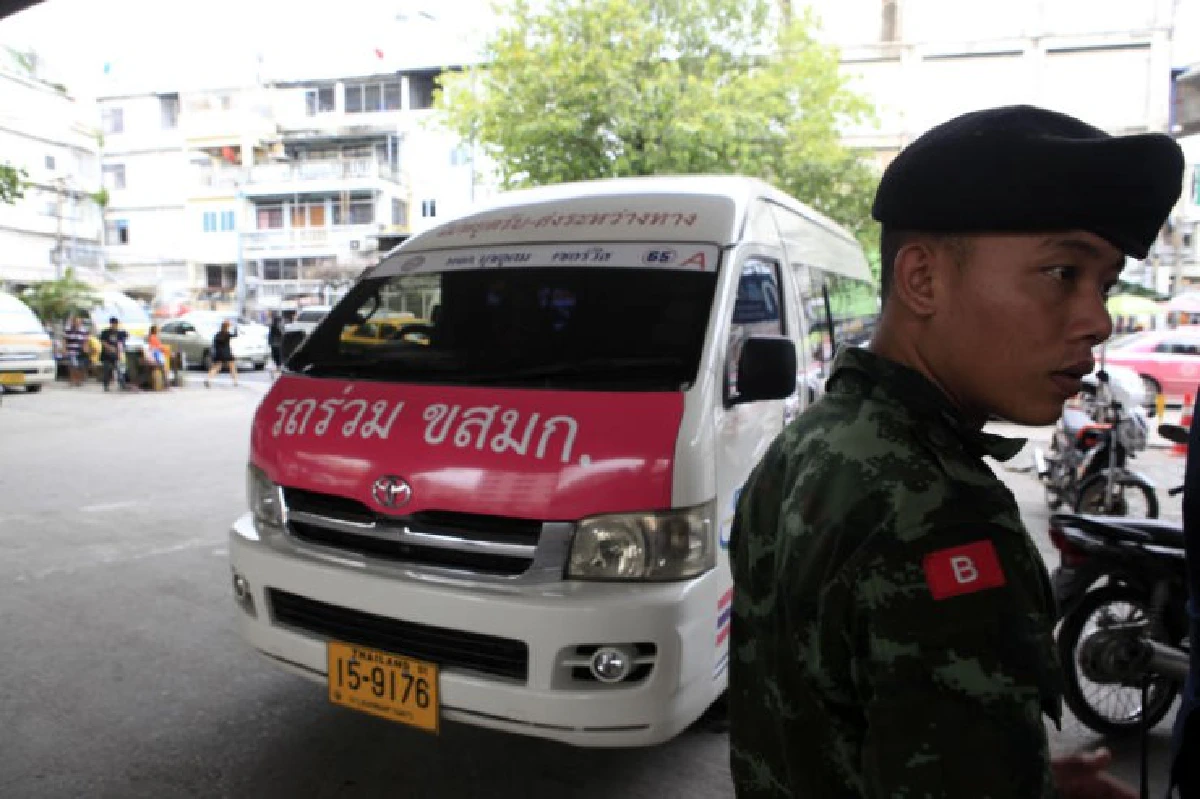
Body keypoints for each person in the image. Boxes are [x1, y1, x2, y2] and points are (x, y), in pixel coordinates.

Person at [728, 105, 1183, 799]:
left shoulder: (813, 441)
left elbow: (827, 734)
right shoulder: (940, 511)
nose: (1098, 320)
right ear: (923, 279)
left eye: (1105, 283)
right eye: (1063, 272)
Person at [97, 316, 128, 392]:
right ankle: (106, 385)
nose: (114, 325)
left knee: (120, 370)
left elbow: (124, 338)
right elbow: (103, 341)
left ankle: (122, 384)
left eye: (116, 324)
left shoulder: (120, 332)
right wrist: (110, 347)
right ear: (110, 324)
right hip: (106, 355)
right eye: (113, 324)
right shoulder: (105, 332)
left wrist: (120, 350)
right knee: (107, 370)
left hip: (117, 355)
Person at [205, 319, 238, 388]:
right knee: (232, 367)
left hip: (219, 354)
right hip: (227, 354)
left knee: (216, 367)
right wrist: (235, 327)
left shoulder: (217, 335)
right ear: (228, 327)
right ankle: (235, 381)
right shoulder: (227, 335)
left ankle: (208, 380)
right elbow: (235, 335)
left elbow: (214, 345)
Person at [62, 314, 89, 387]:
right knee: (73, 365)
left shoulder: (83, 330)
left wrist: (85, 348)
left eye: (79, 321)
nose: (77, 323)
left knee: (80, 366)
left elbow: (86, 340)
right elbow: (65, 339)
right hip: (71, 350)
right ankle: (72, 380)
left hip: (80, 351)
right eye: (76, 321)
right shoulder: (68, 329)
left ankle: (78, 380)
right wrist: (64, 349)